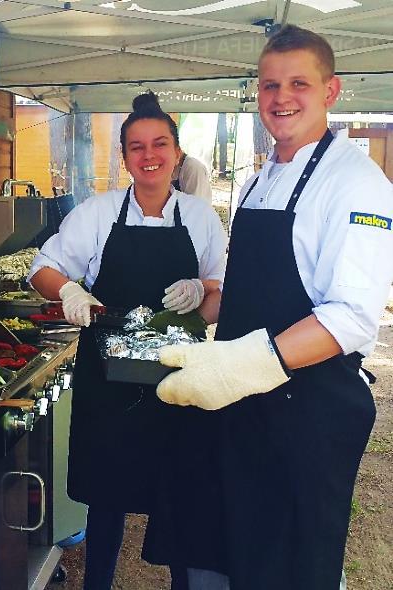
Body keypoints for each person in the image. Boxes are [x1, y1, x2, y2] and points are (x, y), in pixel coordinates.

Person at [143, 25, 393, 590]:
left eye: (298, 83)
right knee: (220, 551)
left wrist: (239, 366)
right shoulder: (260, 182)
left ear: (331, 91)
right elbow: (250, 292)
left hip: (307, 414)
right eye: (269, 85)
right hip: (241, 410)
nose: (281, 98)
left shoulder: (357, 184)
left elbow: (351, 316)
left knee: (285, 567)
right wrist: (198, 303)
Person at [27, 91, 227, 590]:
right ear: (125, 158)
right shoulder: (97, 213)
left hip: (179, 381)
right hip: (109, 383)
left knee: (178, 494)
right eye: (136, 147)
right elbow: (42, 268)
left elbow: (225, 293)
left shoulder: (201, 218)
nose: (149, 155)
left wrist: (203, 291)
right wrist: (69, 289)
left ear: (177, 153)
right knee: (107, 494)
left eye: (160, 144)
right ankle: (98, 582)